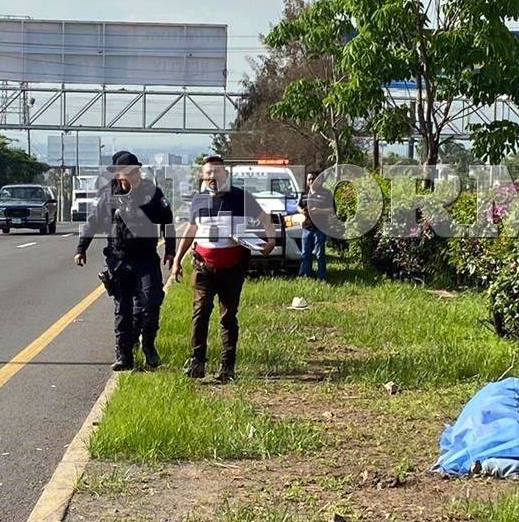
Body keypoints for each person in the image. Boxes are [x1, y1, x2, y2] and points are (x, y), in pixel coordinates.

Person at [172, 155, 275, 383]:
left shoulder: (240, 197)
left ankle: (227, 366)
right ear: (203, 176)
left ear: (225, 175)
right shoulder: (199, 200)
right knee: (201, 311)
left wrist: (270, 240)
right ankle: (196, 361)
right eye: (208, 174)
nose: (212, 178)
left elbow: (264, 218)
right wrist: (178, 259)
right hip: (203, 267)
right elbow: (190, 230)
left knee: (228, 317)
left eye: (216, 173)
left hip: (232, 268)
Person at [75, 151, 175, 371]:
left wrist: (171, 249)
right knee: (123, 310)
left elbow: (168, 220)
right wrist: (81, 248)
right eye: (129, 172)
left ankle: (147, 345)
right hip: (119, 259)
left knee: (151, 302)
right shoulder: (107, 195)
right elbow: (92, 222)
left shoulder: (152, 193)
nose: (134, 175)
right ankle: (124, 355)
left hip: (146, 258)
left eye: (136, 170)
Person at [298, 170, 334, 281]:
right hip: (307, 228)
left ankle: (321, 277)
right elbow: (298, 206)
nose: (311, 181)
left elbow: (332, 210)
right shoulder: (304, 194)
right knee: (305, 254)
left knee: (320, 254)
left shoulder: (326, 193)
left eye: (313, 179)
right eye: (309, 179)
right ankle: (305, 276)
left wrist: (318, 210)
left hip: (320, 228)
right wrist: (301, 211)